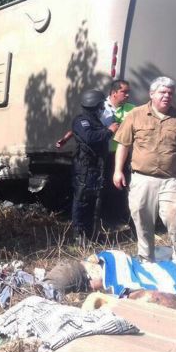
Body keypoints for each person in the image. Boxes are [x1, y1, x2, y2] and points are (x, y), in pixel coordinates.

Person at [112, 77, 176, 263]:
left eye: (170, 93)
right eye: (162, 92)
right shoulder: (135, 115)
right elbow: (123, 145)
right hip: (142, 179)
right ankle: (146, 261)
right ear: (152, 94)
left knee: (175, 220)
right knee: (142, 222)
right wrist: (118, 171)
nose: (167, 96)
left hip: (171, 180)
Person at [57, 90, 118, 243]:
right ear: (94, 105)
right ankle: (79, 234)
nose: (102, 108)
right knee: (82, 199)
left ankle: (91, 233)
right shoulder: (82, 121)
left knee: (94, 200)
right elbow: (89, 137)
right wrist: (109, 131)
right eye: (100, 105)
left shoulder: (95, 120)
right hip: (85, 167)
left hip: (96, 166)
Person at [99, 80, 135, 226]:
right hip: (103, 154)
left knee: (121, 186)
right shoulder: (101, 108)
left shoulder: (131, 109)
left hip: (121, 155)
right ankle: (104, 217)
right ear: (114, 93)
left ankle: (120, 216)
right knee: (104, 186)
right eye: (124, 92)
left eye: (128, 92)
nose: (127, 95)